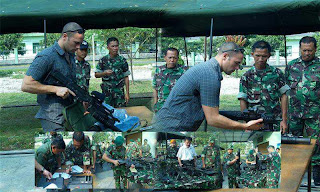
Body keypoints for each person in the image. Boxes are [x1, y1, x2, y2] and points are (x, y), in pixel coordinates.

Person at [153, 42, 263, 131]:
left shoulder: (208, 69)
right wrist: (245, 126)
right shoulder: (210, 75)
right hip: (169, 128)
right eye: (236, 63)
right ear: (225, 56)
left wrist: (242, 116)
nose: (238, 67)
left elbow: (208, 112)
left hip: (170, 125)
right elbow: (213, 119)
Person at [21, 22, 84, 132]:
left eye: (80, 43)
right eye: (76, 43)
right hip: (52, 118)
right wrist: (55, 89)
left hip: (68, 114)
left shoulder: (70, 55)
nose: (78, 47)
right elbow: (26, 85)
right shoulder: (47, 56)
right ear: (65, 36)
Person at [285, 36, 320, 185]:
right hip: (294, 114)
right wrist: (284, 117)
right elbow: (284, 91)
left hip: (315, 114)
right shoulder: (291, 66)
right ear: (300, 49)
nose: (307, 53)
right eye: (304, 50)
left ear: (315, 49)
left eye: (310, 50)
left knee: (316, 144)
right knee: (293, 143)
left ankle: (317, 177)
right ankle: (293, 175)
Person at [238, 40, 290, 133]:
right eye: (257, 56)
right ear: (252, 54)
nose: (260, 59)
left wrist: (284, 120)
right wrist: (246, 124)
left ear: (269, 55)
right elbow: (243, 99)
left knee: (276, 146)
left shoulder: (277, 73)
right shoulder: (246, 76)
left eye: (264, 56)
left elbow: (284, 96)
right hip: (254, 121)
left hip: (275, 120)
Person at [95, 37, 130, 107]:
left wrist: (127, 93)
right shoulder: (103, 60)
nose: (115, 48)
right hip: (107, 93)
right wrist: (104, 73)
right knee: (107, 112)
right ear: (108, 47)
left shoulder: (122, 60)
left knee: (121, 112)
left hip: (119, 93)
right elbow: (96, 75)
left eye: (116, 46)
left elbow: (126, 77)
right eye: (113, 46)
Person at [152, 48, 188, 112]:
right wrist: (155, 103)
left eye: (174, 58)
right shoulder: (159, 70)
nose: (172, 60)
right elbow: (155, 88)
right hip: (161, 107)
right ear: (165, 57)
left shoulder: (184, 71)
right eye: (170, 57)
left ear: (177, 58)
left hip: (177, 108)